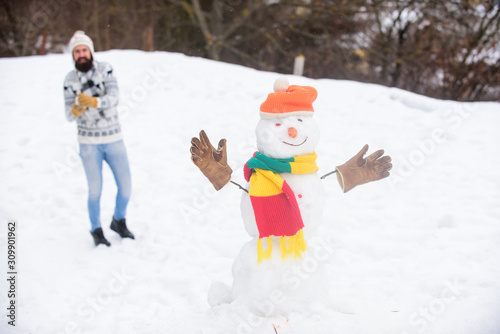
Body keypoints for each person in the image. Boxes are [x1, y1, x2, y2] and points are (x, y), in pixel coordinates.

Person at [63, 30, 134, 247]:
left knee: (126, 186)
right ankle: (96, 229)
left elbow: (114, 97)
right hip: (88, 143)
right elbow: (68, 114)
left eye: (84, 50)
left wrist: (94, 102)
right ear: (73, 55)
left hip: (113, 137)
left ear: (91, 51)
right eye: (77, 51)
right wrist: (76, 109)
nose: (81, 54)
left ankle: (118, 220)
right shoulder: (69, 80)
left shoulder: (105, 69)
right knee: (95, 190)